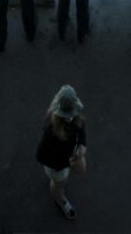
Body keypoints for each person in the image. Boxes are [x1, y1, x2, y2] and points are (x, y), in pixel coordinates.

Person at [35, 85, 87, 220]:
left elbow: (81, 127)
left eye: (72, 114)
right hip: (57, 164)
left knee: (81, 169)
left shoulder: (75, 114)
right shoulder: (51, 130)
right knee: (59, 183)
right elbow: (41, 156)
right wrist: (65, 163)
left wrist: (82, 144)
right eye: (67, 116)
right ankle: (60, 200)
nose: (71, 118)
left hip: (71, 155)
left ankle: (60, 184)